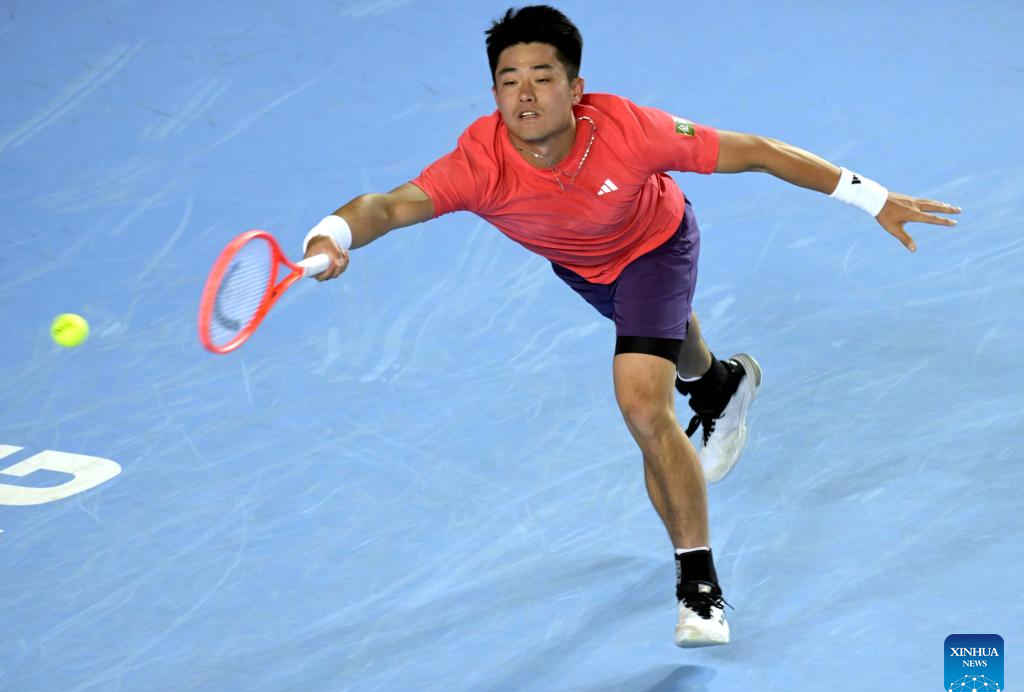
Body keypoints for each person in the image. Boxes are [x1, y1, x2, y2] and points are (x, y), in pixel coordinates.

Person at [301, 5, 960, 647]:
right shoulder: (480, 163)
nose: (525, 94)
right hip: (585, 268)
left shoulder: (628, 130)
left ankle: (699, 587)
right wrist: (332, 236)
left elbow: (756, 152)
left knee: (643, 405)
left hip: (656, 248)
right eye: (509, 80)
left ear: (575, 88)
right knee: (673, 347)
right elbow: (388, 206)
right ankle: (720, 386)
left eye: (542, 77)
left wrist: (873, 197)